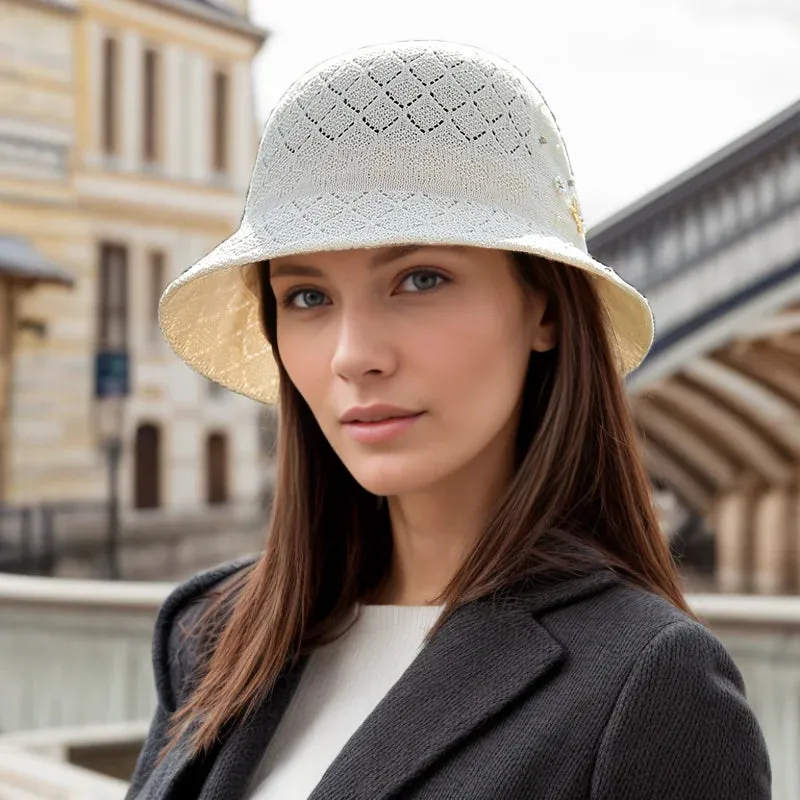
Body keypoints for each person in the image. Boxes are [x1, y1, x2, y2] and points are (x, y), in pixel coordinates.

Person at [127, 40, 771, 800]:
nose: (352, 355)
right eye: (306, 296)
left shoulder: (649, 689)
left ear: (544, 309)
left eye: (420, 279)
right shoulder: (214, 632)